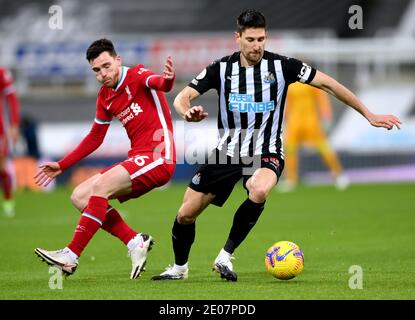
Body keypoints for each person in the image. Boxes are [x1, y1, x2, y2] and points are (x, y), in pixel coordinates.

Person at [151, 9, 401, 282]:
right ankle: (179, 269)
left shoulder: (283, 66)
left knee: (259, 189)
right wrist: (187, 112)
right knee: (186, 214)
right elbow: (182, 96)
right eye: (250, 39)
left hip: (267, 149)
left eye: (261, 39)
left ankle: (225, 255)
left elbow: (329, 84)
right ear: (238, 38)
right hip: (228, 152)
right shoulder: (220, 69)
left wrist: (369, 114)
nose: (256, 45)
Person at [34, 38, 176, 279]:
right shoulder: (105, 96)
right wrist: (62, 164)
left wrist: (169, 79)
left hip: (159, 156)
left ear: (117, 59)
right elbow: (95, 138)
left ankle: (70, 256)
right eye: (96, 70)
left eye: (107, 66)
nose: (103, 74)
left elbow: (160, 83)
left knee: (100, 187)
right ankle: (134, 242)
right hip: (139, 157)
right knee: (80, 197)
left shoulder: (138, 73)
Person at [280, 82, 349, 191]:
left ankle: (338, 175)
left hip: (311, 121)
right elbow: (287, 102)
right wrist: (284, 119)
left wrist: (326, 116)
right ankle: (291, 179)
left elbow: (321, 99)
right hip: (294, 122)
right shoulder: (290, 83)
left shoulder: (310, 80)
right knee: (290, 149)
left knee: (324, 148)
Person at [0, 65, 20, 217]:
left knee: (1, 167)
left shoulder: (1, 72)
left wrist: (13, 124)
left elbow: (12, 98)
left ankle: (8, 202)